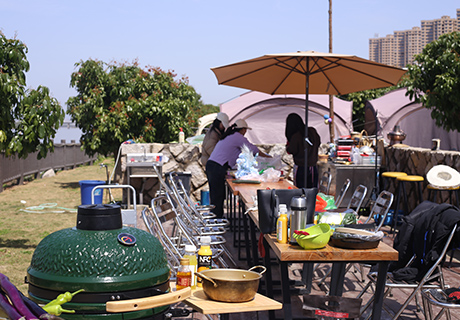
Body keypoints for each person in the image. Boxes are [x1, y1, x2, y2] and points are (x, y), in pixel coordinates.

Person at [206, 119, 271, 218]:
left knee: (217, 195)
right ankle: (216, 222)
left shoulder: (229, 136)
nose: (245, 132)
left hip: (213, 166)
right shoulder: (237, 137)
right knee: (217, 196)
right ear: (243, 129)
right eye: (245, 130)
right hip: (216, 167)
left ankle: (216, 219)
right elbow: (252, 149)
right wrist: (268, 157)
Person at [285, 113, 321, 188]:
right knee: (312, 190)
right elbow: (318, 143)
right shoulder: (312, 131)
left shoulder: (295, 136)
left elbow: (291, 150)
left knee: (299, 190)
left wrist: (288, 145)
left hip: (300, 167)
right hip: (313, 166)